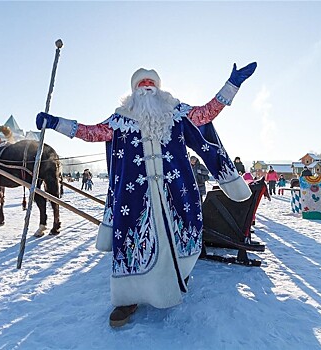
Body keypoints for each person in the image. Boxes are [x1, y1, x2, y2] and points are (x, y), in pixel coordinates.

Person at [35, 62, 257, 327]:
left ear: (160, 88)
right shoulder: (120, 119)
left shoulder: (176, 113)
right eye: (142, 84)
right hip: (134, 195)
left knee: (179, 233)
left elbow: (207, 113)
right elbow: (91, 132)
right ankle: (127, 298)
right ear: (133, 91)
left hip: (176, 191)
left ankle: (176, 277)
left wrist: (232, 85)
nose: (147, 87)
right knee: (131, 240)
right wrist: (56, 123)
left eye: (152, 83)